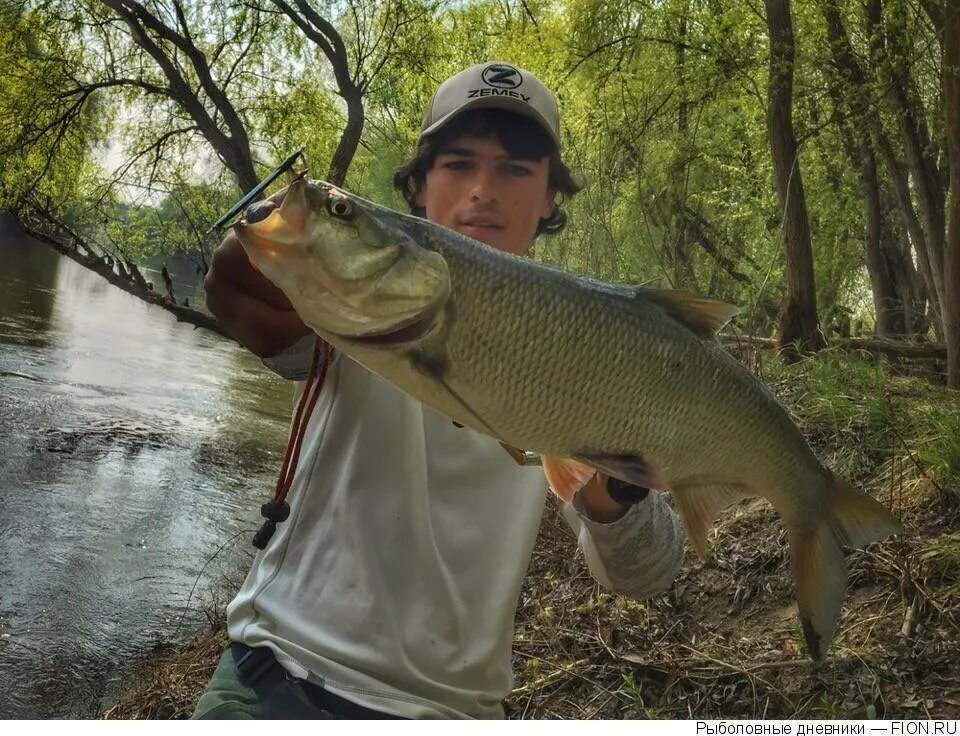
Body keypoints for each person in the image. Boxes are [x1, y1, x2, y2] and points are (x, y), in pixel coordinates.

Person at [196, 61, 684, 720]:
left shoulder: (591, 344)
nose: (484, 189)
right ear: (420, 187)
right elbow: (244, 303)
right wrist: (269, 250)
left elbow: (644, 574)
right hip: (278, 671)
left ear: (548, 200)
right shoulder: (350, 301)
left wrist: (621, 487)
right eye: (457, 164)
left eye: (516, 170)